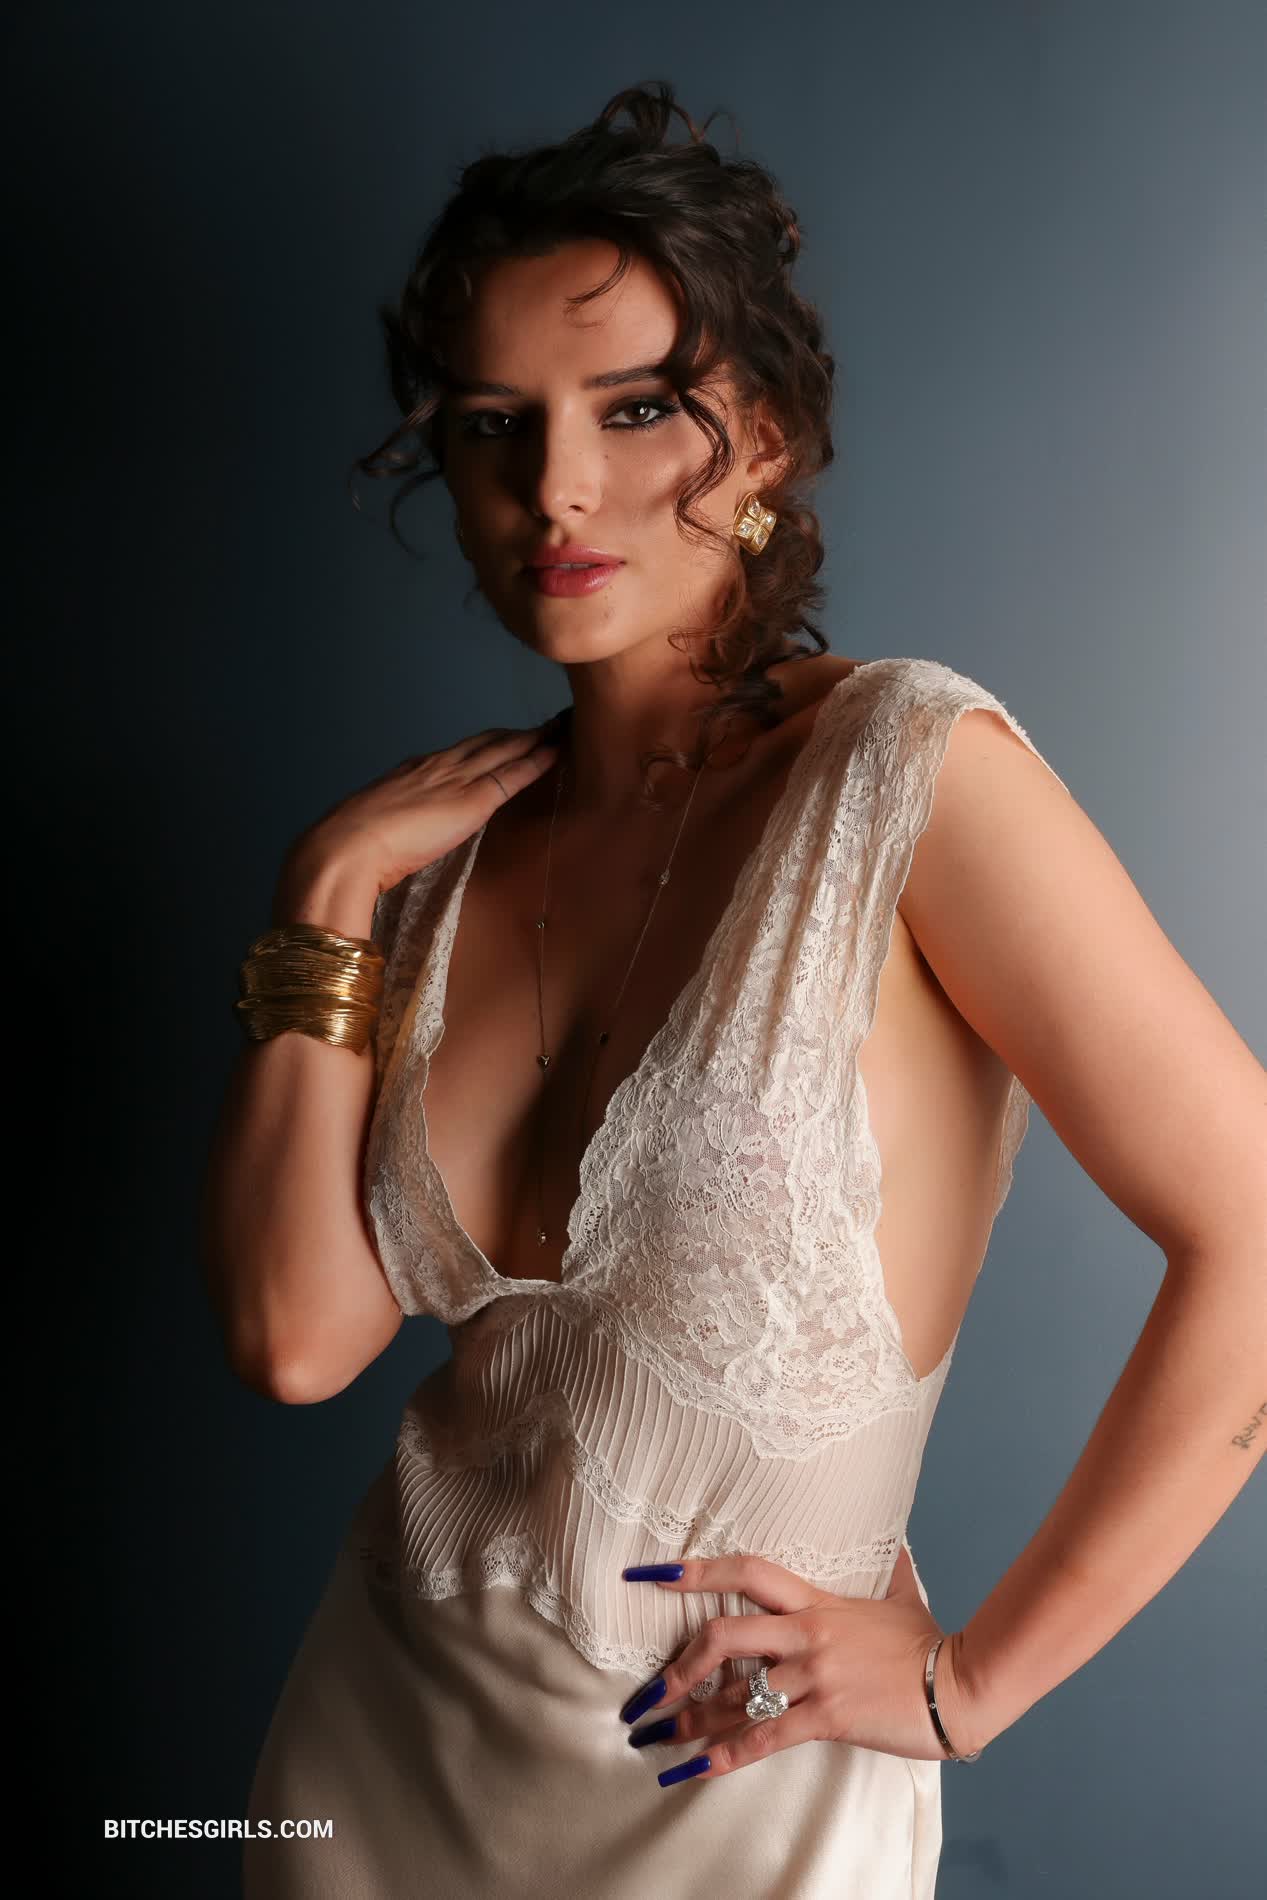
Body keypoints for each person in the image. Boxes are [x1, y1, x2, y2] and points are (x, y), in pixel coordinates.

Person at [201, 81, 1267, 1900]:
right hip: (370, 1774)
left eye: (635, 408)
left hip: (738, 1799)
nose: (555, 487)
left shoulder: (905, 774)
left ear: (762, 440)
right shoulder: (438, 867)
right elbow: (296, 1339)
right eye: (494, 426)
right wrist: (321, 897)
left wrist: (965, 1685)